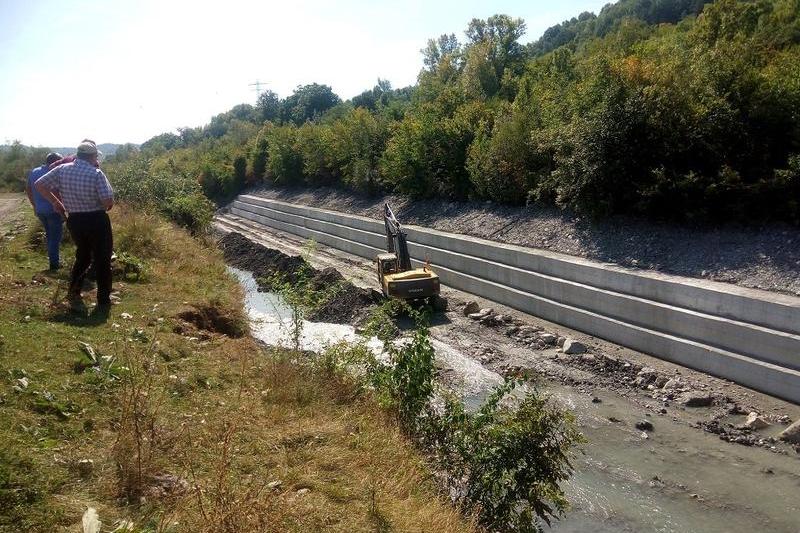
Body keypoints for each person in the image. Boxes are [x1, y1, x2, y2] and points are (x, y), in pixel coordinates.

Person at [35, 141, 115, 310]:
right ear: (92, 156)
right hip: (96, 220)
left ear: (78, 155)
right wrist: (106, 205)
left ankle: (74, 291)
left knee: (83, 256)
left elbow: (39, 185)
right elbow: (108, 201)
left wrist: (56, 203)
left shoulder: (62, 170)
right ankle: (103, 299)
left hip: (75, 220)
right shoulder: (96, 173)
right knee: (102, 258)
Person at [25, 152, 64, 270]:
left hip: (40, 210)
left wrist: (34, 205)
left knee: (50, 235)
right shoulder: (54, 173)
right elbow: (57, 193)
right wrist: (63, 211)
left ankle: (54, 259)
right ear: (55, 162)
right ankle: (54, 264)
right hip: (53, 210)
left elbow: (28, 189)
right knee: (55, 237)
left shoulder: (34, 171)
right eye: (60, 161)